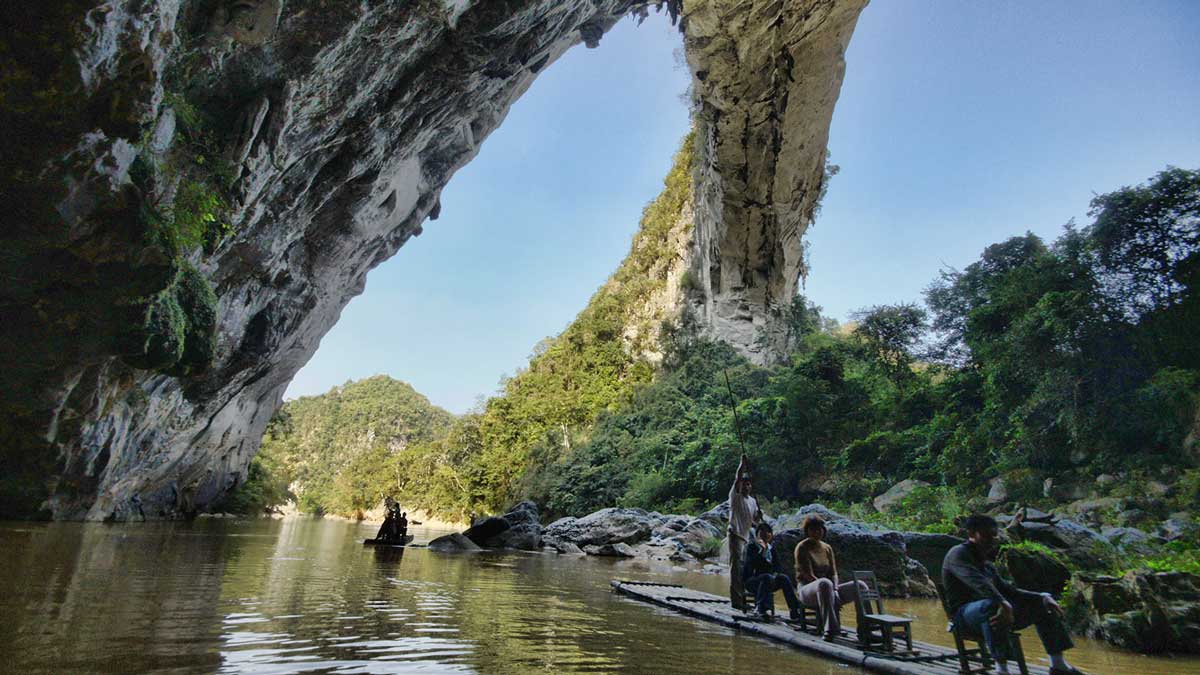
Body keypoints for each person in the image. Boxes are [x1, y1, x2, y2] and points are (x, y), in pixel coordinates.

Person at [942, 514, 1088, 675]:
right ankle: (1002, 669)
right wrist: (1003, 603)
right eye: (986, 536)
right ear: (971, 534)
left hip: (993, 611)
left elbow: (1009, 590)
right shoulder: (957, 554)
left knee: (1043, 605)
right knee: (993, 605)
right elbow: (976, 581)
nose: (991, 541)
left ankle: (1058, 664)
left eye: (993, 536)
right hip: (964, 617)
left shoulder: (987, 564)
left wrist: (1042, 596)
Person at [794, 515, 865, 640]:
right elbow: (808, 575)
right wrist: (830, 588)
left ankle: (865, 628)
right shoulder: (802, 547)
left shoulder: (827, 548)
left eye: (820, 529)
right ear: (807, 531)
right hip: (808, 589)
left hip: (829, 588)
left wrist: (836, 590)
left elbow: (833, 573)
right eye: (813, 529)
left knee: (860, 585)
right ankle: (830, 629)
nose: (817, 532)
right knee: (825, 583)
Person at [742, 521, 802, 621]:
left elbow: (777, 567)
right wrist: (762, 551)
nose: (765, 535)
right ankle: (761, 609)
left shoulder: (772, 549)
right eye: (762, 533)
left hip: (769, 580)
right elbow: (751, 565)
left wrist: (776, 574)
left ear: (771, 535)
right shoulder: (751, 547)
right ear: (757, 536)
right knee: (766, 577)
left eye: (768, 533)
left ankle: (794, 610)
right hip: (752, 581)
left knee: (784, 578)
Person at [728, 453, 763, 611]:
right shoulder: (735, 496)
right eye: (744, 484)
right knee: (736, 569)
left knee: (745, 569)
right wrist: (742, 464)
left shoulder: (753, 501)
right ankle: (736, 600)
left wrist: (758, 518)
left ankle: (744, 597)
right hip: (735, 535)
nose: (746, 486)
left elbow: (753, 522)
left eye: (748, 484)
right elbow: (737, 478)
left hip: (747, 537)